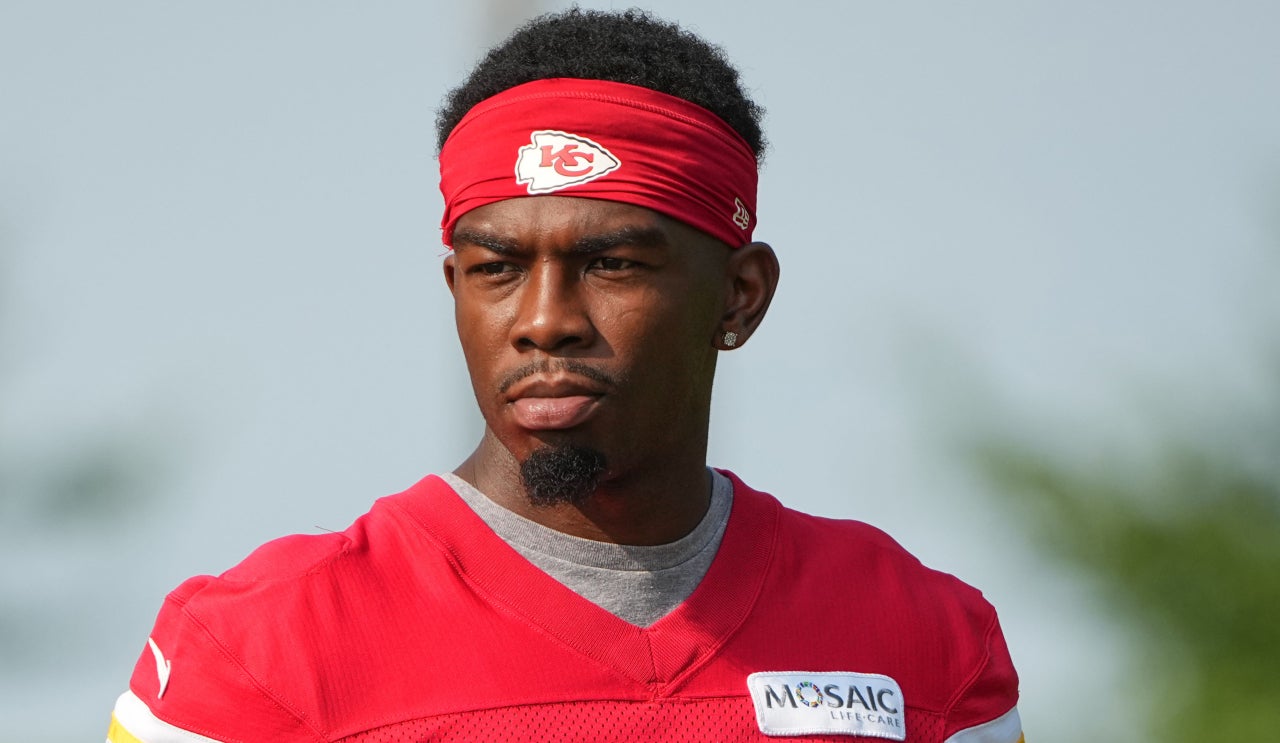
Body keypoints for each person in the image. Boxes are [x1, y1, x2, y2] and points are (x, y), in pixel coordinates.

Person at [106, 8, 1023, 743]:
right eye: (496, 268)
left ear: (740, 296)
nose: (544, 320)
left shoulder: (923, 642)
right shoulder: (256, 653)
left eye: (615, 264)